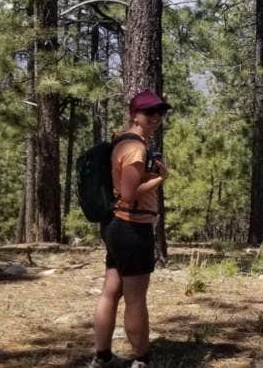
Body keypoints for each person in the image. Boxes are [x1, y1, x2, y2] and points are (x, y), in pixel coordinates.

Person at [88, 90, 171, 368]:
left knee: (111, 290)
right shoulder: (135, 148)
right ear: (134, 114)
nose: (155, 117)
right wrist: (160, 178)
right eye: (149, 112)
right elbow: (129, 193)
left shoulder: (121, 141)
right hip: (131, 227)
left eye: (160, 112)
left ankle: (102, 357)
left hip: (116, 225)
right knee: (136, 299)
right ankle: (142, 359)